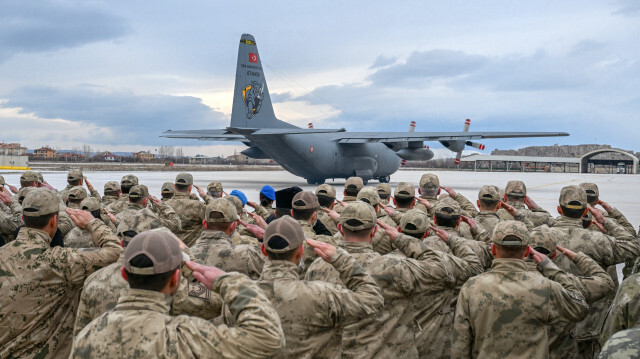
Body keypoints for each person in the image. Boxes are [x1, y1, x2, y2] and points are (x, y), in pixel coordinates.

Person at [70, 230, 285, 358]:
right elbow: (268, 338)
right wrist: (226, 281)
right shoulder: (187, 336)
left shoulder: (87, 337)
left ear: (125, 275)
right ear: (175, 279)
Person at [306, 201, 479, 358]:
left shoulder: (317, 267)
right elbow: (440, 269)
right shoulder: (395, 267)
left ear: (341, 229)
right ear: (374, 231)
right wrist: (401, 240)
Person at [0, 188, 122, 358]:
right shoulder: (61, 261)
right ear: (54, 220)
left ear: (22, 218)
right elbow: (116, 252)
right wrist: (92, 223)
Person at [451, 221, 589, 359]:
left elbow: (461, 344)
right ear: (528, 251)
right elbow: (580, 308)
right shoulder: (545, 287)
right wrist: (550, 267)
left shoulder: (472, 287)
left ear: (493, 249)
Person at [250, 216, 383, 358]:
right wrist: (342, 260)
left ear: (263, 249)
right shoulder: (322, 294)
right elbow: (373, 299)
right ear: (301, 250)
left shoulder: (239, 294)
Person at [73, 227, 223, 336]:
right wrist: (188, 259)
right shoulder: (174, 285)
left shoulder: (94, 280)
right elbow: (217, 301)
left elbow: (80, 331)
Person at [550, 185, 640, 358]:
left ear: (559, 209)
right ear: (586, 211)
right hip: (591, 327)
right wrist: (606, 220)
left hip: (554, 327)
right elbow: (633, 245)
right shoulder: (599, 240)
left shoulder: (542, 236)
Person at [394, 209, 484, 358]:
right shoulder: (442, 262)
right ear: (427, 234)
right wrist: (452, 240)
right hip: (434, 344)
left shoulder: (384, 263)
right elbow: (475, 268)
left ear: (399, 230)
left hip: (397, 343)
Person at [190, 198, 265, 279]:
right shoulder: (248, 254)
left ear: (204, 224)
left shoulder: (187, 256)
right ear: (233, 226)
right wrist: (266, 234)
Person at [289, 191, 337, 274]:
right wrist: (339, 220)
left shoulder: (278, 237)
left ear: (292, 213)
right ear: (314, 216)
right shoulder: (324, 243)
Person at [114, 185, 181, 234]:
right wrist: (163, 206)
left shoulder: (117, 217)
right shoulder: (151, 217)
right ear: (145, 201)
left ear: (129, 200)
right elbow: (176, 225)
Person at [165, 173, 206, 247]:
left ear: (174, 186)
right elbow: (217, 213)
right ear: (190, 188)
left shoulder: (164, 205)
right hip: (192, 252)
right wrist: (205, 196)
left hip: (170, 251)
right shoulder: (198, 206)